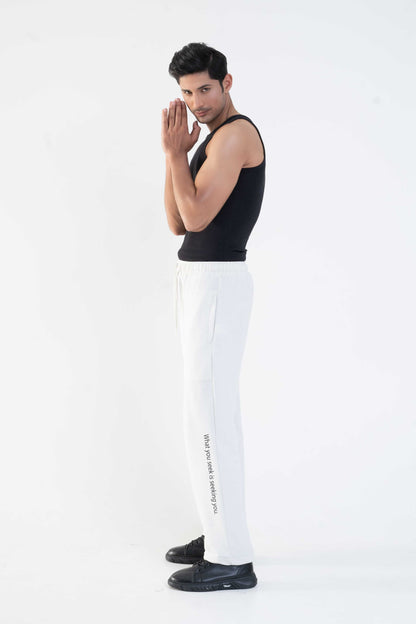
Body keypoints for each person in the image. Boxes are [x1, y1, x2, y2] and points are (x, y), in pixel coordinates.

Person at [161, 42, 266, 592]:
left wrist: (178, 156)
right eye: (186, 93)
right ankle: (218, 529)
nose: (196, 101)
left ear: (227, 82)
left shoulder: (235, 136)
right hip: (199, 281)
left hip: (218, 285)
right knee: (200, 412)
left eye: (204, 88)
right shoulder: (209, 139)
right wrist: (174, 155)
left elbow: (198, 216)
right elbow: (177, 223)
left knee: (211, 417)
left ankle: (231, 559)